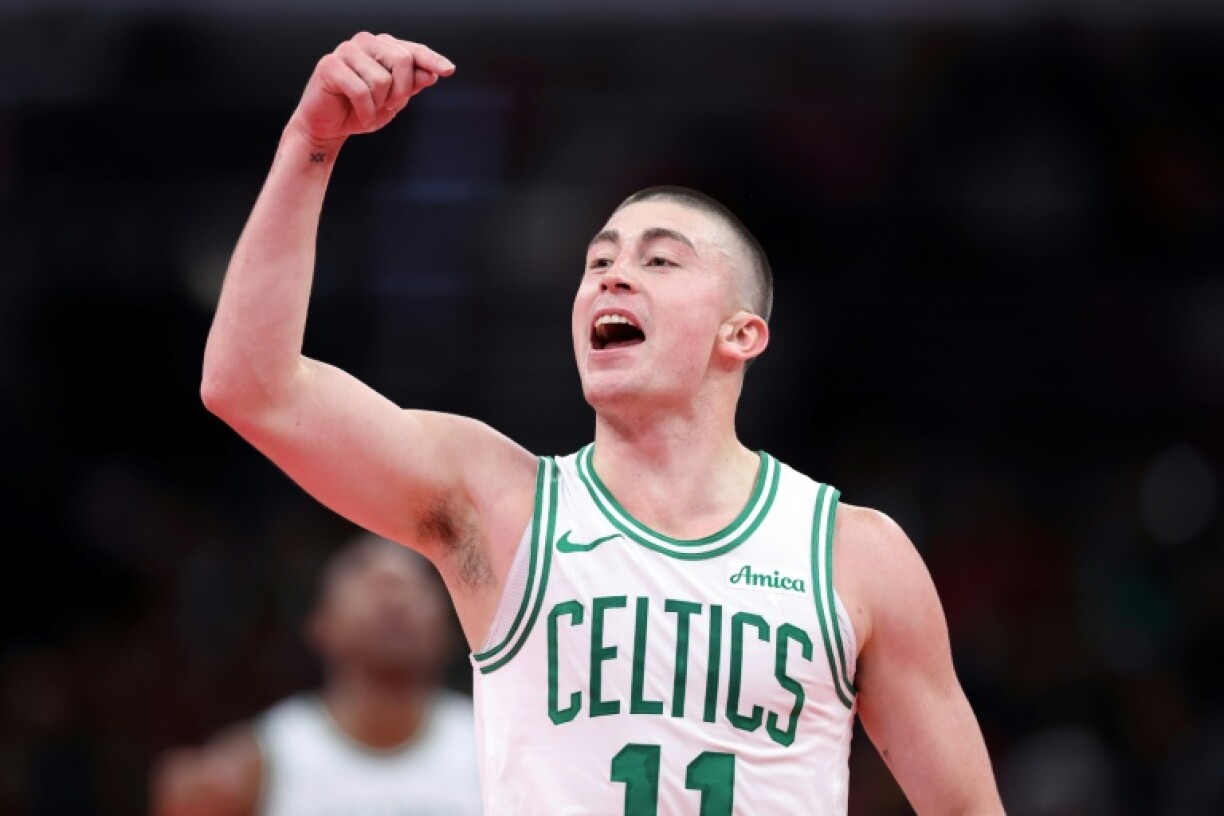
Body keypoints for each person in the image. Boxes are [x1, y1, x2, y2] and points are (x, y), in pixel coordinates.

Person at [200, 32, 1005, 814]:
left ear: (741, 334)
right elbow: (252, 387)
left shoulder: (853, 555)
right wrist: (310, 143)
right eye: (598, 262)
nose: (614, 274)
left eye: (658, 260)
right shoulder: (501, 503)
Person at [152, 533, 482, 816]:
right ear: (321, 626)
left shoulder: (491, 749)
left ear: (449, 631)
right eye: (363, 570)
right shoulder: (257, 764)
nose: (394, 590)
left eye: (418, 580)